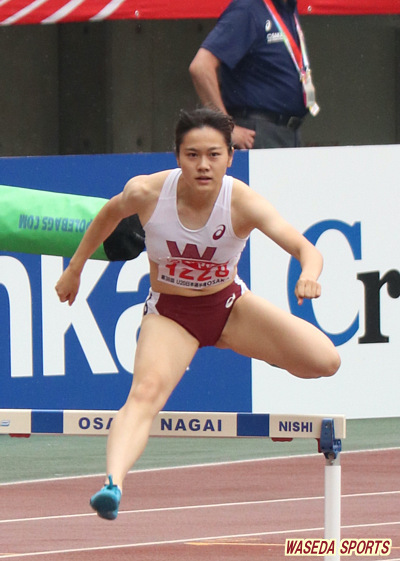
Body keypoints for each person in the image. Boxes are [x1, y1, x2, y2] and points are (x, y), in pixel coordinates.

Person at [55, 107, 340, 521]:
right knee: (144, 395)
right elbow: (108, 215)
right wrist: (75, 268)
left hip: (229, 307)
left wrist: (309, 276)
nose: (203, 165)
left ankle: (256, 348)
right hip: (171, 316)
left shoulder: (242, 202)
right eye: (192, 155)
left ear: (230, 157)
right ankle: (112, 485)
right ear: (177, 156)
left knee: (325, 361)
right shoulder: (146, 192)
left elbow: (306, 249)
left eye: (213, 155)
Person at [189, 0, 319, 149]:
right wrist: (225, 127)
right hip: (259, 132)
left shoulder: (288, 9)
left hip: (287, 132)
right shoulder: (248, 9)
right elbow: (201, 67)